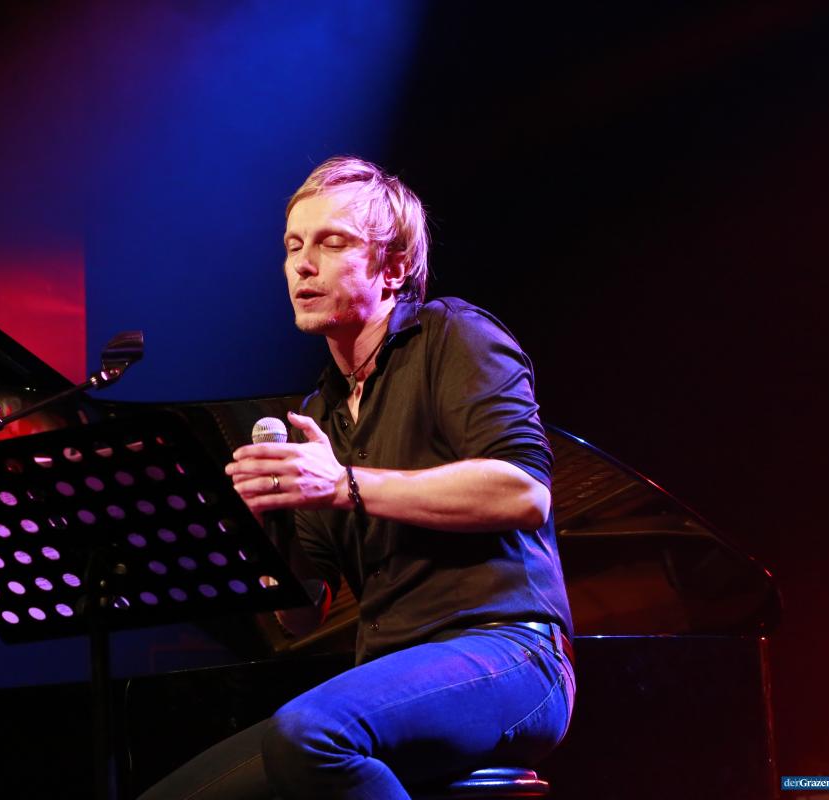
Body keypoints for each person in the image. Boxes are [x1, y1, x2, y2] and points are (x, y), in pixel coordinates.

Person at [140, 156, 574, 799]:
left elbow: (524, 492)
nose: (302, 265)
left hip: (511, 656)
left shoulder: (452, 336)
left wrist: (344, 484)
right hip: (389, 674)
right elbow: (301, 617)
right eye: (293, 246)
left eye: (332, 242)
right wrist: (257, 535)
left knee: (314, 734)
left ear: (394, 267)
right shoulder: (318, 415)